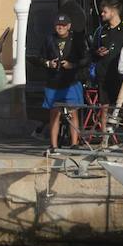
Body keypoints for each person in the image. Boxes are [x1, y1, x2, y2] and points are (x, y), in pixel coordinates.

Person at [39, 13, 86, 151]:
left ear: (69, 26)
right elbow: (39, 58)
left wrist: (72, 65)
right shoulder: (49, 39)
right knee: (54, 113)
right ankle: (53, 145)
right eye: (58, 25)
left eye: (63, 25)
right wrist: (49, 63)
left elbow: (85, 59)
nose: (60, 28)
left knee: (73, 112)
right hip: (53, 81)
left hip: (71, 81)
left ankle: (74, 143)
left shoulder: (76, 40)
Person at [90, 0, 123, 129]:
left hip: (122, 76)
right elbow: (91, 52)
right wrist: (97, 52)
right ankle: (104, 139)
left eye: (105, 11)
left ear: (114, 12)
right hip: (104, 75)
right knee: (104, 107)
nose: (102, 14)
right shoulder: (100, 31)